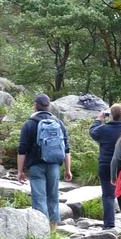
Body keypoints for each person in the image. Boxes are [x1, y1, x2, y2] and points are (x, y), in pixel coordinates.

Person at [17, 93, 72, 231]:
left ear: (35, 105)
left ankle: (41, 230)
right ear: (49, 106)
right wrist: (68, 169)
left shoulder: (29, 124)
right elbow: (66, 148)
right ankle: (53, 229)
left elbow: (22, 150)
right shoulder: (58, 123)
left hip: (35, 165)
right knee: (53, 196)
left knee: (39, 197)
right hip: (54, 164)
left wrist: (20, 171)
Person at [90, 103, 121, 231]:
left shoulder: (104, 129)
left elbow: (92, 132)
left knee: (108, 195)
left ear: (110, 115)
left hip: (106, 164)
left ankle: (109, 224)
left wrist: (99, 119)